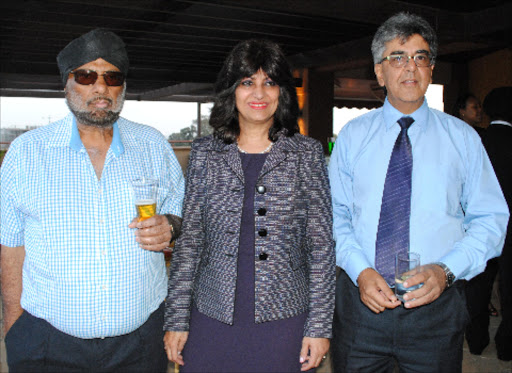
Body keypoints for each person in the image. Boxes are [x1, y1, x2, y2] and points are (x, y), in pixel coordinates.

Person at [329, 12, 509, 373]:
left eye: (420, 57)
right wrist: (361, 271)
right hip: (361, 308)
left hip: (437, 313)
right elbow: (334, 215)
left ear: (431, 70)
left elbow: (491, 219)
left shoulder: (464, 139)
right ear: (380, 72)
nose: (410, 67)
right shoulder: (352, 137)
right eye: (398, 57)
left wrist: (447, 270)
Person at [0, 28, 185, 372]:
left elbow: (184, 215)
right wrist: (15, 327)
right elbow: (11, 246)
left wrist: (171, 226)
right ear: (66, 85)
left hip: (142, 342)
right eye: (86, 75)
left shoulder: (153, 145)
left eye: (112, 77)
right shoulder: (27, 153)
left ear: (123, 87)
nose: (100, 88)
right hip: (48, 342)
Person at [163, 39, 336, 372]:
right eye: (247, 82)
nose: (259, 93)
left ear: (282, 92)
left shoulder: (306, 154)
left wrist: (319, 327)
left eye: (269, 82)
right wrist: (177, 319)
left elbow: (321, 247)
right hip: (210, 316)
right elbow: (190, 242)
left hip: (285, 320)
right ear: (232, 90)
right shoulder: (204, 154)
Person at [480, 86, 512, 361]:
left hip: (480, 224)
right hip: (511, 224)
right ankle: (507, 345)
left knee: (478, 284)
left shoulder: (478, 140)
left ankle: (476, 339)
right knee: (509, 287)